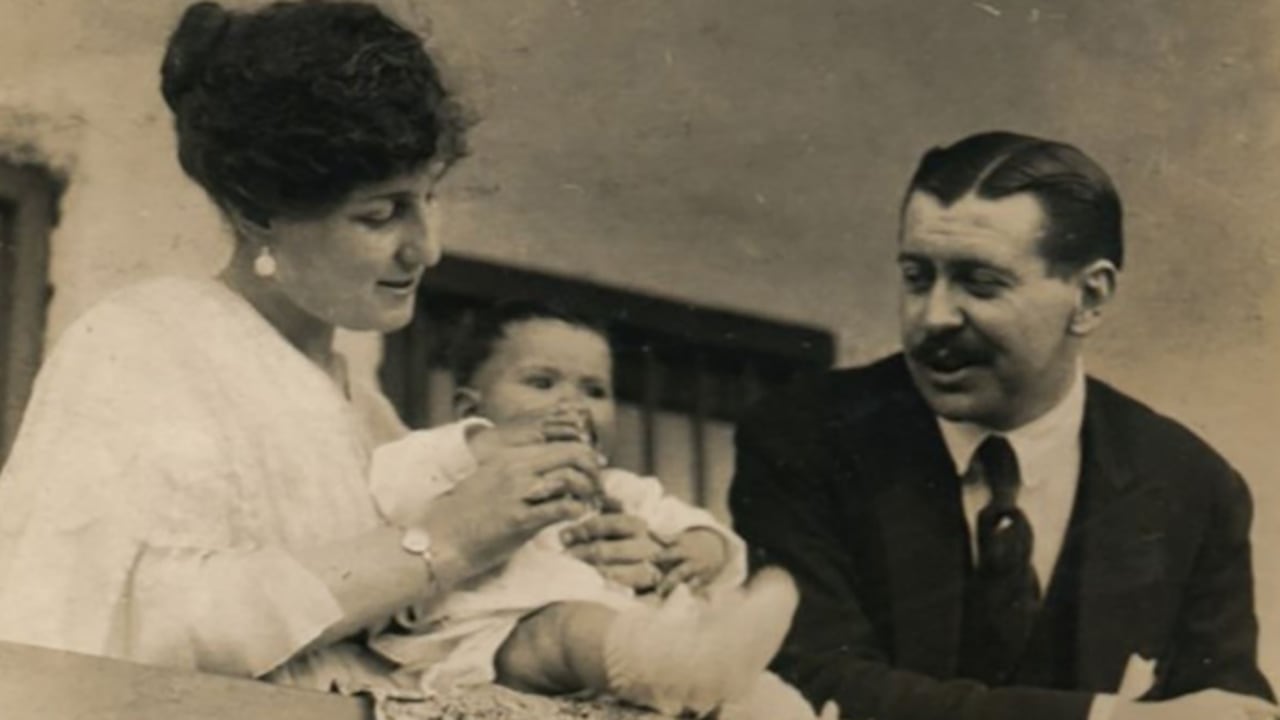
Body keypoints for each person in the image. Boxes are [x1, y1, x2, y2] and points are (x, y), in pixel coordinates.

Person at [0, 0, 618, 695]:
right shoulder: (144, 344)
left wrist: (571, 561)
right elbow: (126, 629)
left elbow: (418, 638)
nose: (426, 249)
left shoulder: (363, 406)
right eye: (380, 214)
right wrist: (447, 539)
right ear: (256, 212)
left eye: (429, 199)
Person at [730, 131, 1278, 720]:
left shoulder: (1192, 487)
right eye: (917, 277)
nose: (934, 317)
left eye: (980, 282)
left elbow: (1230, 707)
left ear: (1090, 298)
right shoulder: (805, 437)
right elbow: (813, 685)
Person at [365, 302, 822, 718]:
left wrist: (703, 548)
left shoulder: (618, 488)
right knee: (566, 627)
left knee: (758, 692)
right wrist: (476, 447)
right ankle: (680, 668)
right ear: (470, 408)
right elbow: (394, 488)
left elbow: (692, 524)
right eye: (541, 382)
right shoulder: (451, 460)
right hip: (497, 638)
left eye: (595, 390)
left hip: (624, 644)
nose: (572, 403)